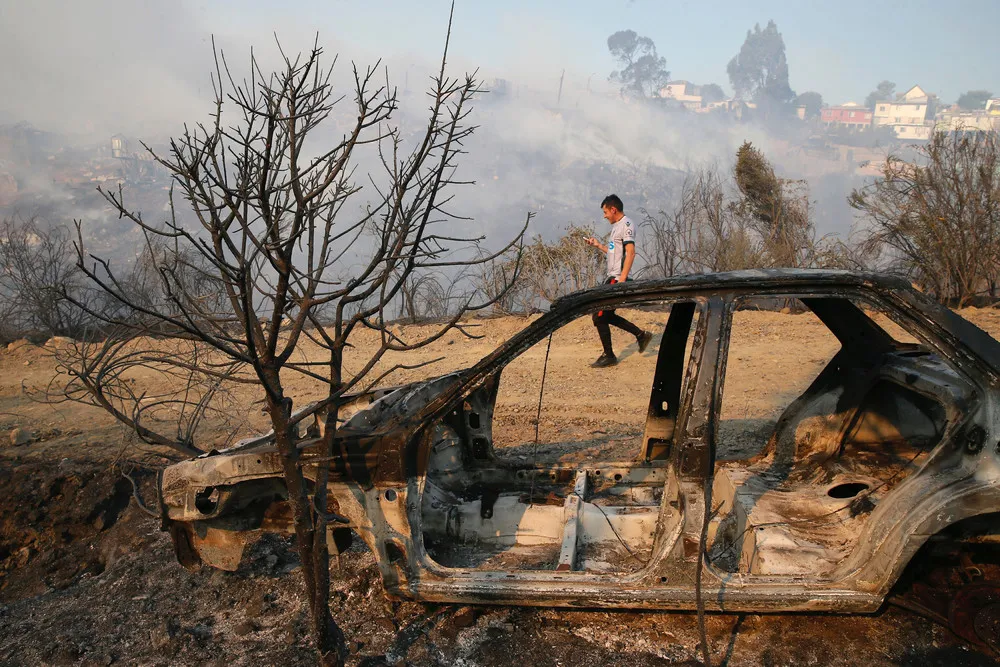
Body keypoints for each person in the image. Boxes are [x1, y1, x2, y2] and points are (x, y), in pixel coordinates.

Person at [584, 194, 653, 367]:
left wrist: (622, 278)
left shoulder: (626, 225)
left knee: (599, 315)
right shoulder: (616, 227)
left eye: (605, 212)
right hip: (612, 277)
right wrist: (598, 245)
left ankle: (609, 356)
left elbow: (630, 252)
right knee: (605, 315)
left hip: (617, 278)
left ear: (613, 209)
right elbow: (615, 253)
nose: (604, 215)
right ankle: (641, 335)